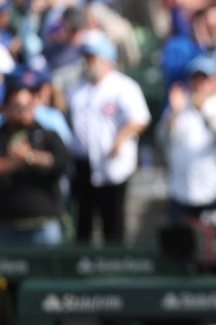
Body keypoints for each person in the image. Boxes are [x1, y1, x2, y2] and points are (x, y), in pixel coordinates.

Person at [68, 29, 151, 244]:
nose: (87, 62)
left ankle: (114, 270)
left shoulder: (123, 86)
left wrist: (120, 139)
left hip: (112, 163)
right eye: (85, 56)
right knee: (83, 222)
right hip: (83, 163)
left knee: (112, 222)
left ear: (105, 58)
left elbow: (140, 118)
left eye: (91, 57)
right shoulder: (78, 88)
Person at [156, 53, 216, 225]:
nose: (199, 84)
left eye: (205, 78)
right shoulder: (178, 105)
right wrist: (174, 114)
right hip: (180, 193)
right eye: (195, 78)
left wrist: (206, 115)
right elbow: (163, 141)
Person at [0, 71, 69, 245]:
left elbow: (60, 163)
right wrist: (13, 164)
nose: (24, 112)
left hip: (43, 225)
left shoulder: (47, 135)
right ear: (5, 108)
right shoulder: (2, 137)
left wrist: (29, 157)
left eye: (28, 106)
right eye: (18, 106)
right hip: (6, 226)